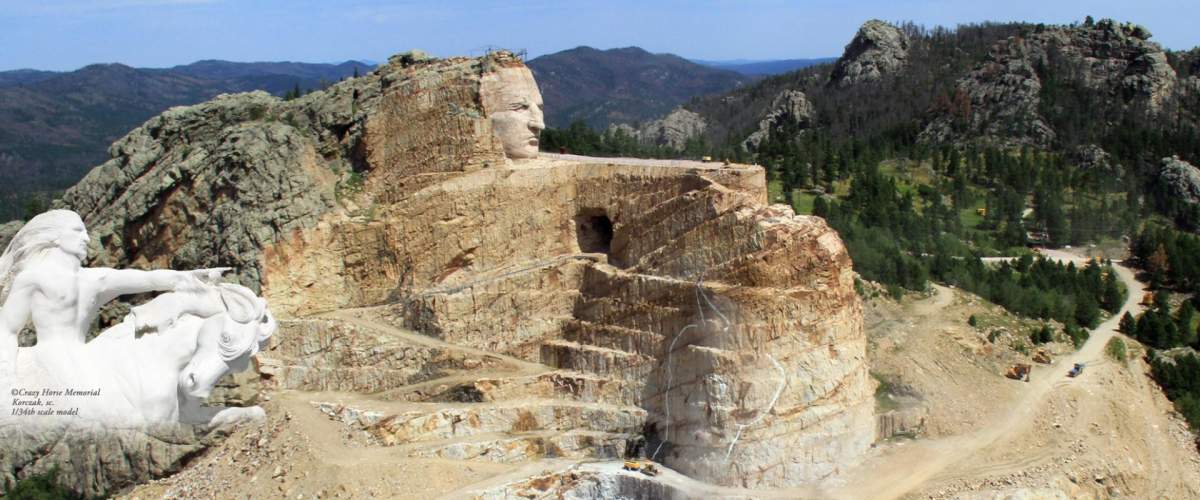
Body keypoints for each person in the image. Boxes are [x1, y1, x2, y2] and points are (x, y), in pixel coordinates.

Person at [0, 209, 225, 403]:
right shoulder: (34, 278)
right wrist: (6, 374)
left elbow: (150, 279)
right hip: (49, 359)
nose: (87, 238)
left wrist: (190, 277)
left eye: (86, 231)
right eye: (77, 231)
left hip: (83, 355)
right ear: (56, 237)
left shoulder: (96, 280)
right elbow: (7, 329)